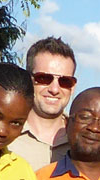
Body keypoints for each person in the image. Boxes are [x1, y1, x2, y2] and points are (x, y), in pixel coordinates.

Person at [12, 36, 78, 170]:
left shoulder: (82, 140)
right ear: (28, 80)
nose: (54, 89)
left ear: (73, 87)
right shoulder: (5, 134)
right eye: (43, 78)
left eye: (65, 81)